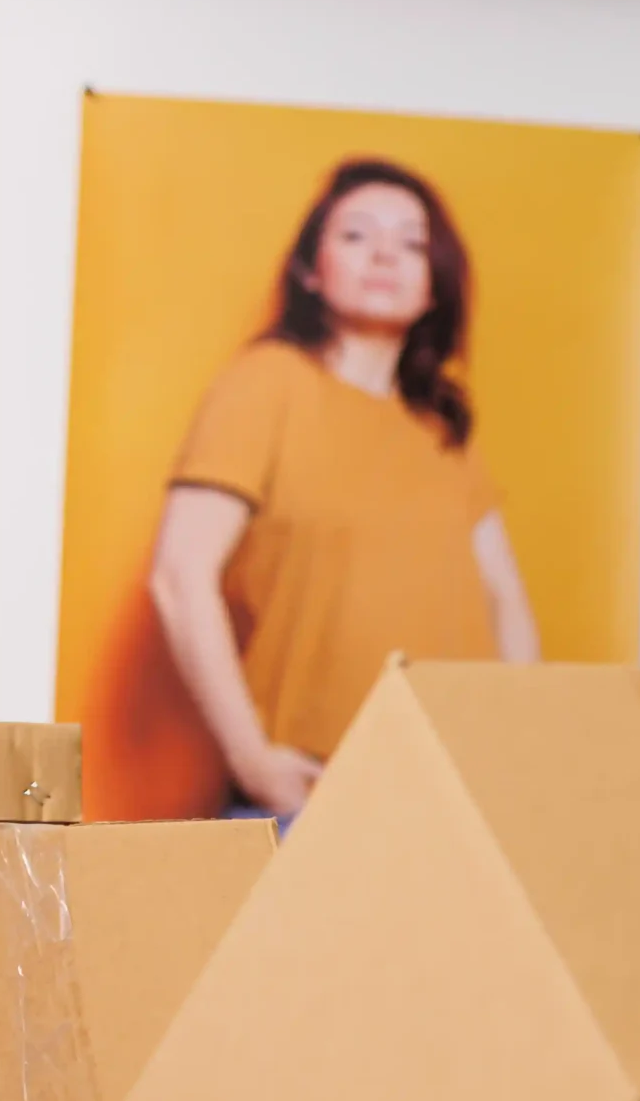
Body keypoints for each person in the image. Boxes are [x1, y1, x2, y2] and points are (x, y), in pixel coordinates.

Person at [150, 158, 541, 821]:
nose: (385, 253)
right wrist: (252, 761)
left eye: (412, 242)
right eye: (356, 235)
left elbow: (504, 596)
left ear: (433, 288)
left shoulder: (441, 424)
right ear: (309, 269)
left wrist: (516, 752)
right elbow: (179, 575)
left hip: (457, 795)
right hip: (314, 792)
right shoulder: (268, 382)